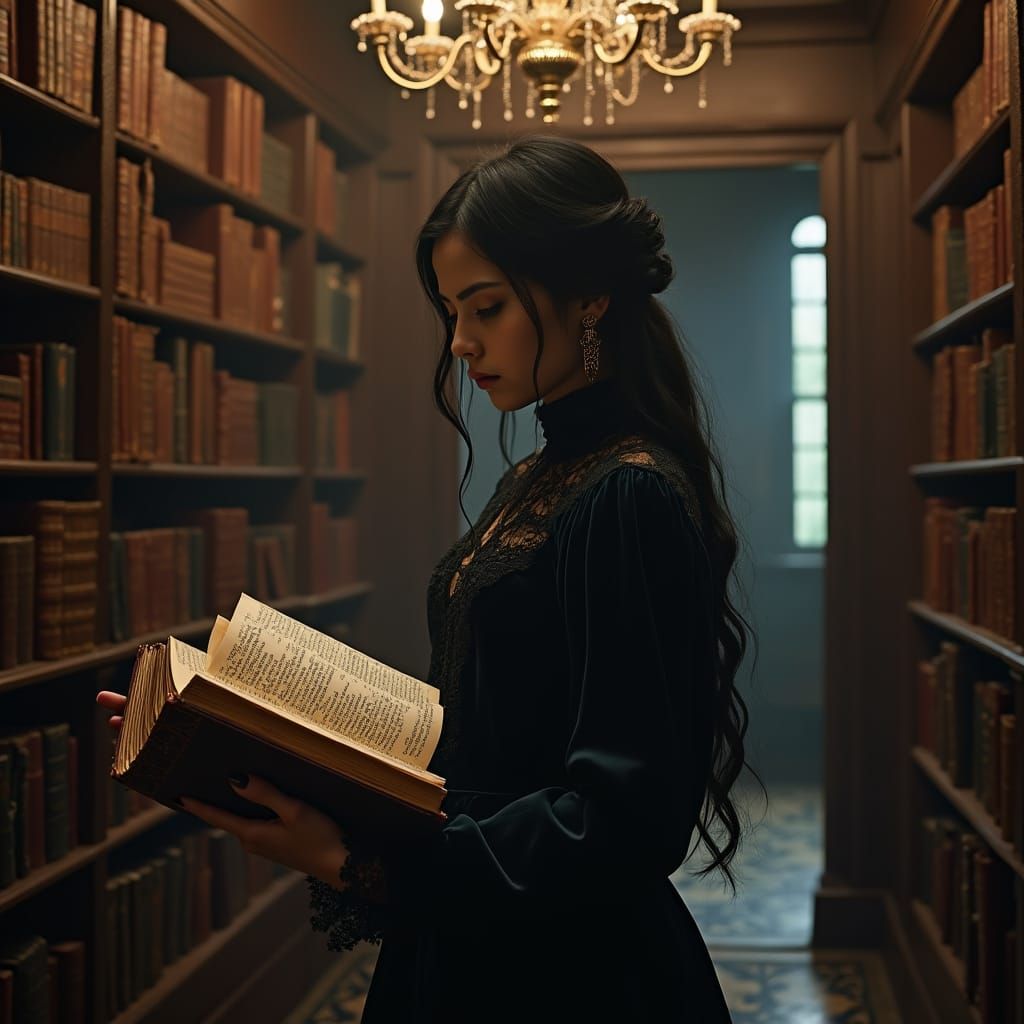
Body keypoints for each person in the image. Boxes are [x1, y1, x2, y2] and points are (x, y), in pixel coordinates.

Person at [99, 134, 760, 1022]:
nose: (461, 342)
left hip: (570, 976)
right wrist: (255, 731)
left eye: (486, 308)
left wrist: (351, 861)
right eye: (453, 311)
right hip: (474, 936)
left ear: (591, 296)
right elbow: (502, 719)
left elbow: (624, 819)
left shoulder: (628, 493)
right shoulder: (540, 475)